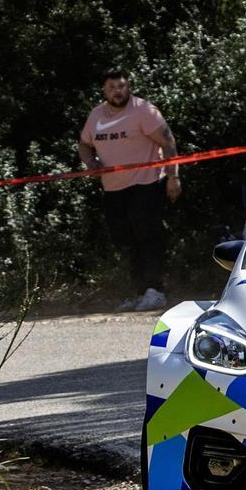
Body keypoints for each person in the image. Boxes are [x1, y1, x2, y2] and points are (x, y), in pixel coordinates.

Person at [78, 67, 180, 312]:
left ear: (129, 87)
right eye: (112, 87)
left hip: (146, 184)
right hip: (114, 190)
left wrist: (174, 177)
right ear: (104, 90)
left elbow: (168, 142)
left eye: (122, 86)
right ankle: (139, 292)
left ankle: (156, 291)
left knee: (148, 237)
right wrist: (90, 163)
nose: (117, 91)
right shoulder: (96, 115)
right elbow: (84, 145)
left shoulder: (144, 110)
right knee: (125, 240)